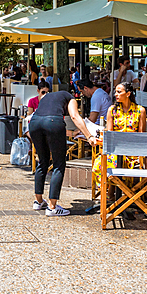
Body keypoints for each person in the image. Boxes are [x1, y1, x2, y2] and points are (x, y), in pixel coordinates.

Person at [29, 78, 92, 216]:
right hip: (52, 122)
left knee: (43, 162)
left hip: (34, 123)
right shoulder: (70, 98)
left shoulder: (47, 97)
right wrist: (89, 136)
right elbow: (74, 116)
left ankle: (38, 201)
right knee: (58, 164)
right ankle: (52, 207)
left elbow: (45, 117)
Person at [91, 83, 146, 179]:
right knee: (99, 165)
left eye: (119, 92)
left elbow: (141, 135)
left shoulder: (140, 110)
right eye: (115, 92)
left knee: (117, 165)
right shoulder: (112, 110)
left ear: (128, 94)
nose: (116, 94)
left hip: (132, 152)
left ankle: (116, 191)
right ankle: (108, 191)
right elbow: (109, 133)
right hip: (114, 151)